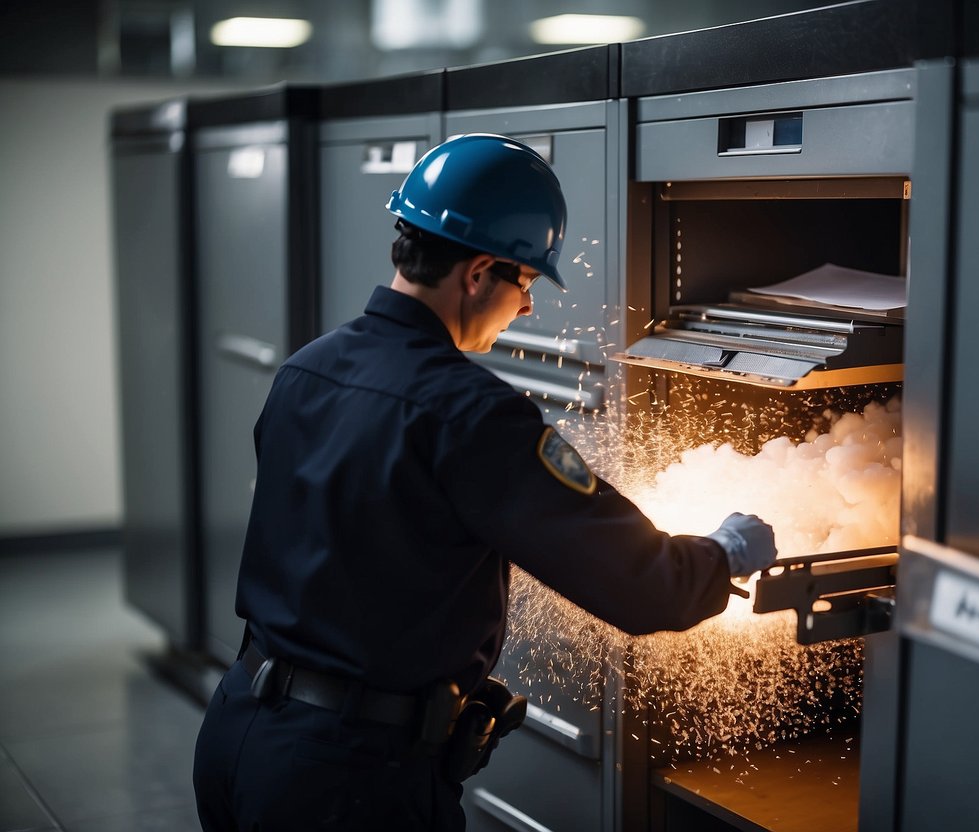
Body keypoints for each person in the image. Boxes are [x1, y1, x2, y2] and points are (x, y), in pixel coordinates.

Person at [192, 133, 777, 831]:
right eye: (525, 282)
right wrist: (725, 551)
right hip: (347, 781)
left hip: (239, 733)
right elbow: (643, 585)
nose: (526, 308)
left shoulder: (307, 370)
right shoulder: (469, 412)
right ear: (477, 274)